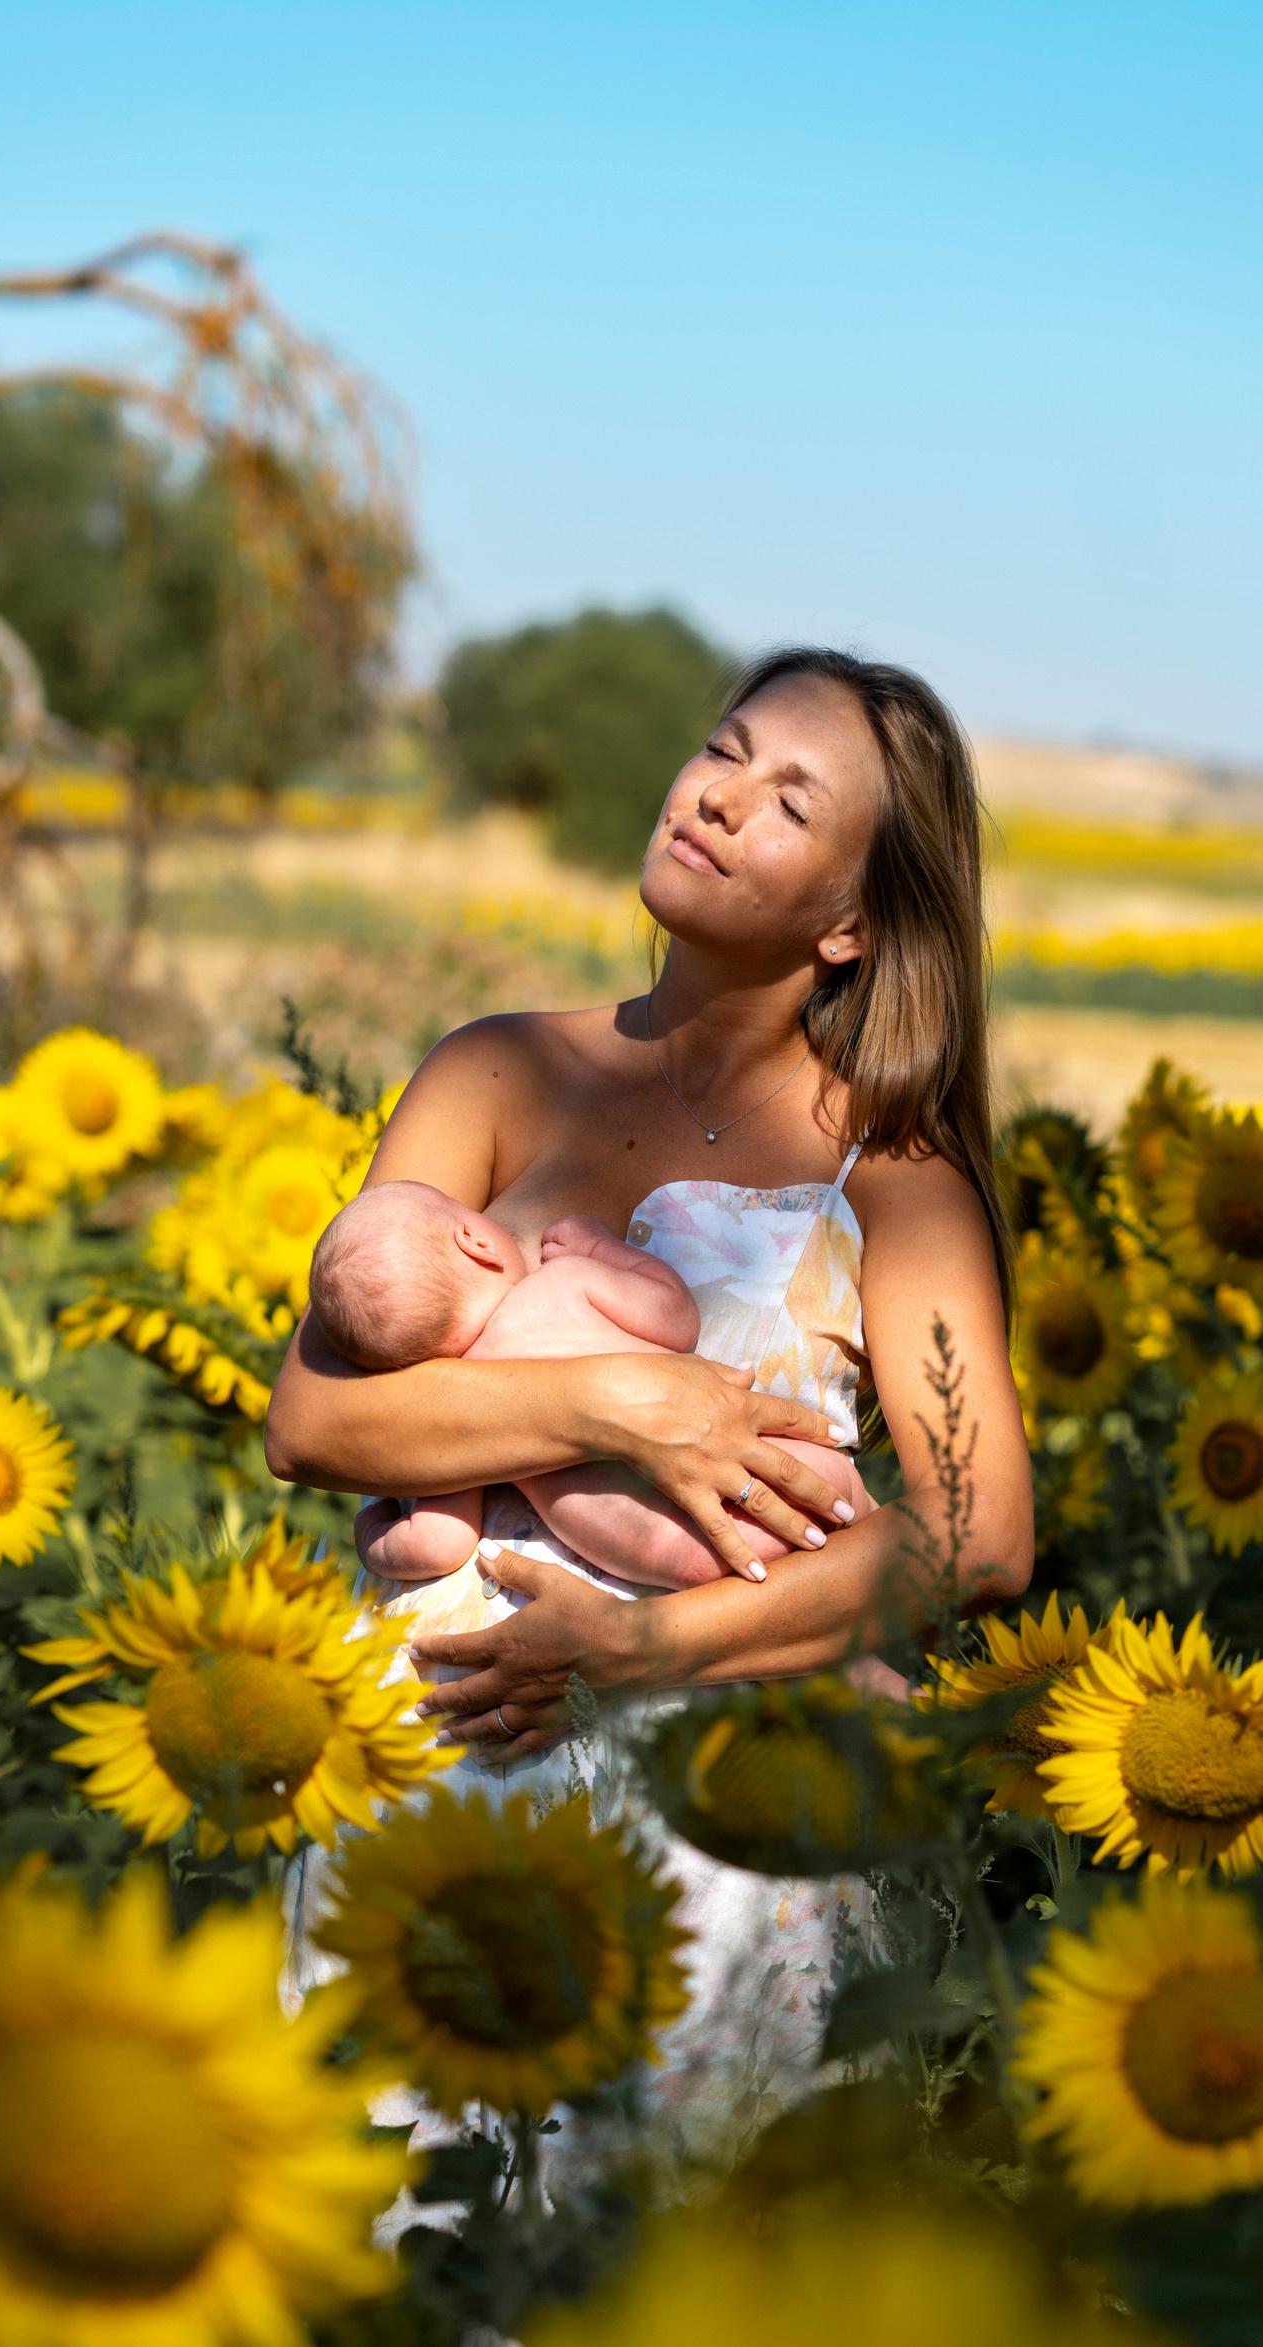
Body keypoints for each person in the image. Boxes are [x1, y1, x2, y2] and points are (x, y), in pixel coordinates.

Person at [267, 646, 1033, 2119]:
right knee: (399, 2276)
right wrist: (622, 1405)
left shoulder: (897, 1175)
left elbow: (978, 1531)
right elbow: (314, 1421)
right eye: (722, 750)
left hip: (720, 1837)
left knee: (656, 2288)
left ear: (852, 923)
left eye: (788, 799)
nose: (720, 796)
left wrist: (637, 1653)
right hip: (429, 1798)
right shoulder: (491, 1074)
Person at [311, 1178, 872, 1586]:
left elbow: (438, 1543)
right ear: (475, 1241)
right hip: (787, 1468)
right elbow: (678, 1320)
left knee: (811, 1651)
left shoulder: (463, 1408)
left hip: (686, 1556)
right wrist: (603, 1249)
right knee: (867, 1548)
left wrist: (373, 1531)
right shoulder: (564, 1284)